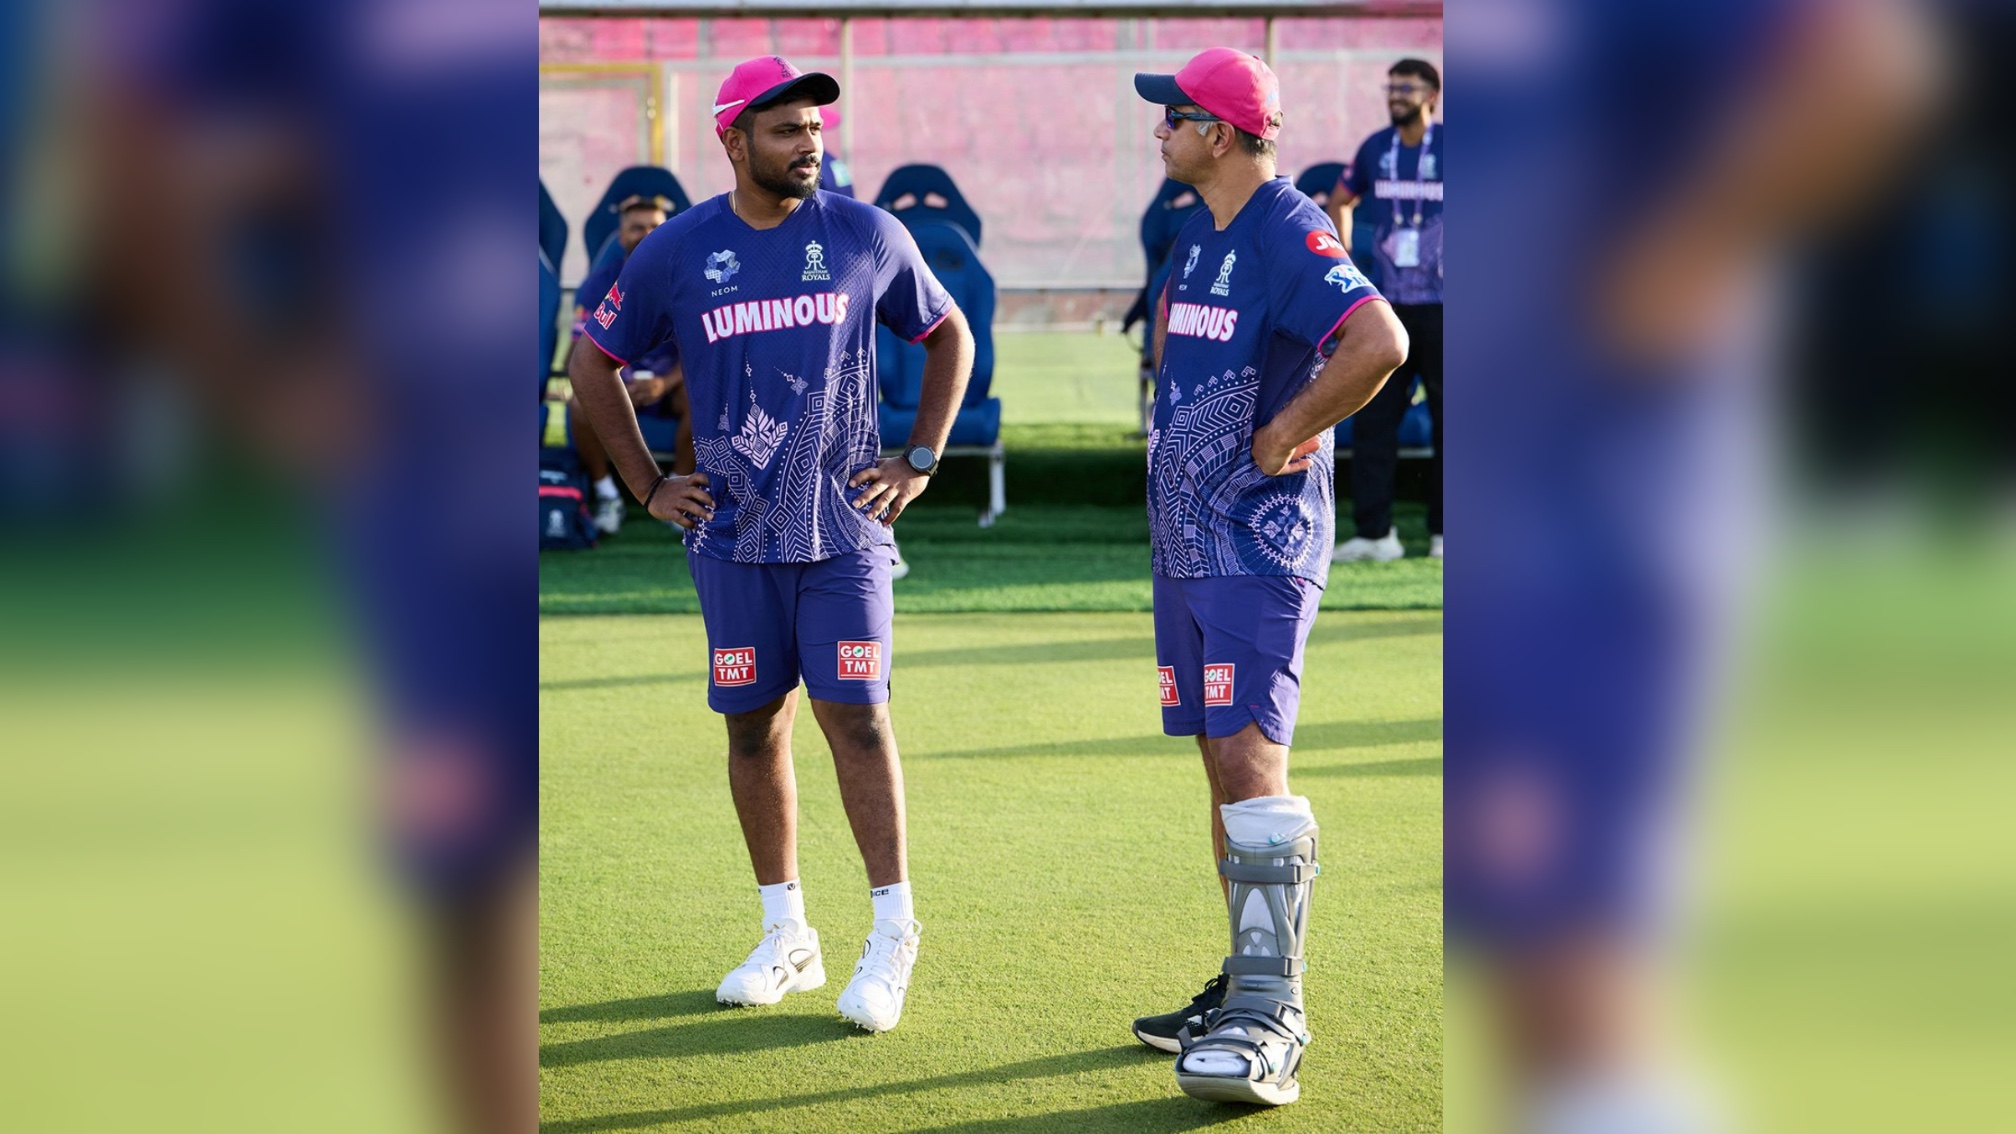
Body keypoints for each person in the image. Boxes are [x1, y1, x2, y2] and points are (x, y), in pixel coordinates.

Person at [569, 54, 975, 1034]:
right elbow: (591, 360)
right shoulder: (676, 248)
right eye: (787, 129)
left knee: (858, 720)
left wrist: (920, 458)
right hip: (731, 541)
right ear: (733, 140)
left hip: (843, 535)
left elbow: (948, 334)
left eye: (815, 128)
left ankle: (893, 933)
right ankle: (786, 934)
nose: (809, 144)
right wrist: (647, 484)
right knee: (752, 728)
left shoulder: (867, 233)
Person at [1127, 48, 1409, 1105]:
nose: (1160, 129)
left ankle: (1274, 1012)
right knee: (1221, 759)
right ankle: (1246, 980)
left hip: (1257, 544)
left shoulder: (1288, 226)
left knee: (1250, 759)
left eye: (1174, 116)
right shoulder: (1199, 231)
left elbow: (1378, 339)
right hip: (1189, 546)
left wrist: (1285, 432)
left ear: (1221, 132)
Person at [1327, 58, 1444, 562]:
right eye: (1391, 86)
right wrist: (1348, 268)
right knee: (1374, 421)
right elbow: (1340, 201)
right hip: (1387, 309)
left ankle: (1446, 535)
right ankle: (1376, 535)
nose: (1395, 94)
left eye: (1406, 87)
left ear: (1431, 95)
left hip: (1447, 308)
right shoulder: (1375, 148)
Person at [559, 193, 694, 535]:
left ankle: (681, 489)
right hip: (618, 381)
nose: (646, 235)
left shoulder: (691, 280)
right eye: (637, 228)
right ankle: (607, 494)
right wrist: (612, 384)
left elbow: (707, 353)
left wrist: (663, 383)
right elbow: (575, 357)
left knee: (704, 395)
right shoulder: (598, 285)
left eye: (654, 227)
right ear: (621, 236)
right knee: (579, 405)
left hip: (671, 385)